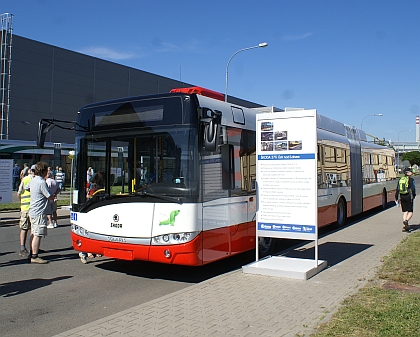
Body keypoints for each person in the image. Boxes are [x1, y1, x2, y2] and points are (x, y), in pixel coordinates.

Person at [28, 161, 57, 264]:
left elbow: (26, 188)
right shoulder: (41, 182)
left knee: (33, 232)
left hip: (32, 209)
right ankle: (34, 256)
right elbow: (48, 196)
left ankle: (32, 252)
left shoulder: (33, 180)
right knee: (38, 234)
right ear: (44, 171)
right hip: (39, 211)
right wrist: (55, 194)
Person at [17, 167, 34, 258]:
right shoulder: (34, 179)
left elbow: (19, 193)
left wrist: (22, 203)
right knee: (32, 229)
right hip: (32, 208)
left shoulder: (25, 179)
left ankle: (23, 248)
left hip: (25, 207)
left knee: (24, 228)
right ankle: (32, 248)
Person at [395, 167, 416, 232]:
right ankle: (406, 221)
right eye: (410, 171)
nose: (411, 172)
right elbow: (413, 188)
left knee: (405, 211)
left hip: (402, 196)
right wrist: (414, 195)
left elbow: (397, 189)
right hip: (409, 196)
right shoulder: (411, 180)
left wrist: (396, 198)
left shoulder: (400, 179)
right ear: (408, 173)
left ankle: (405, 225)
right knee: (410, 211)